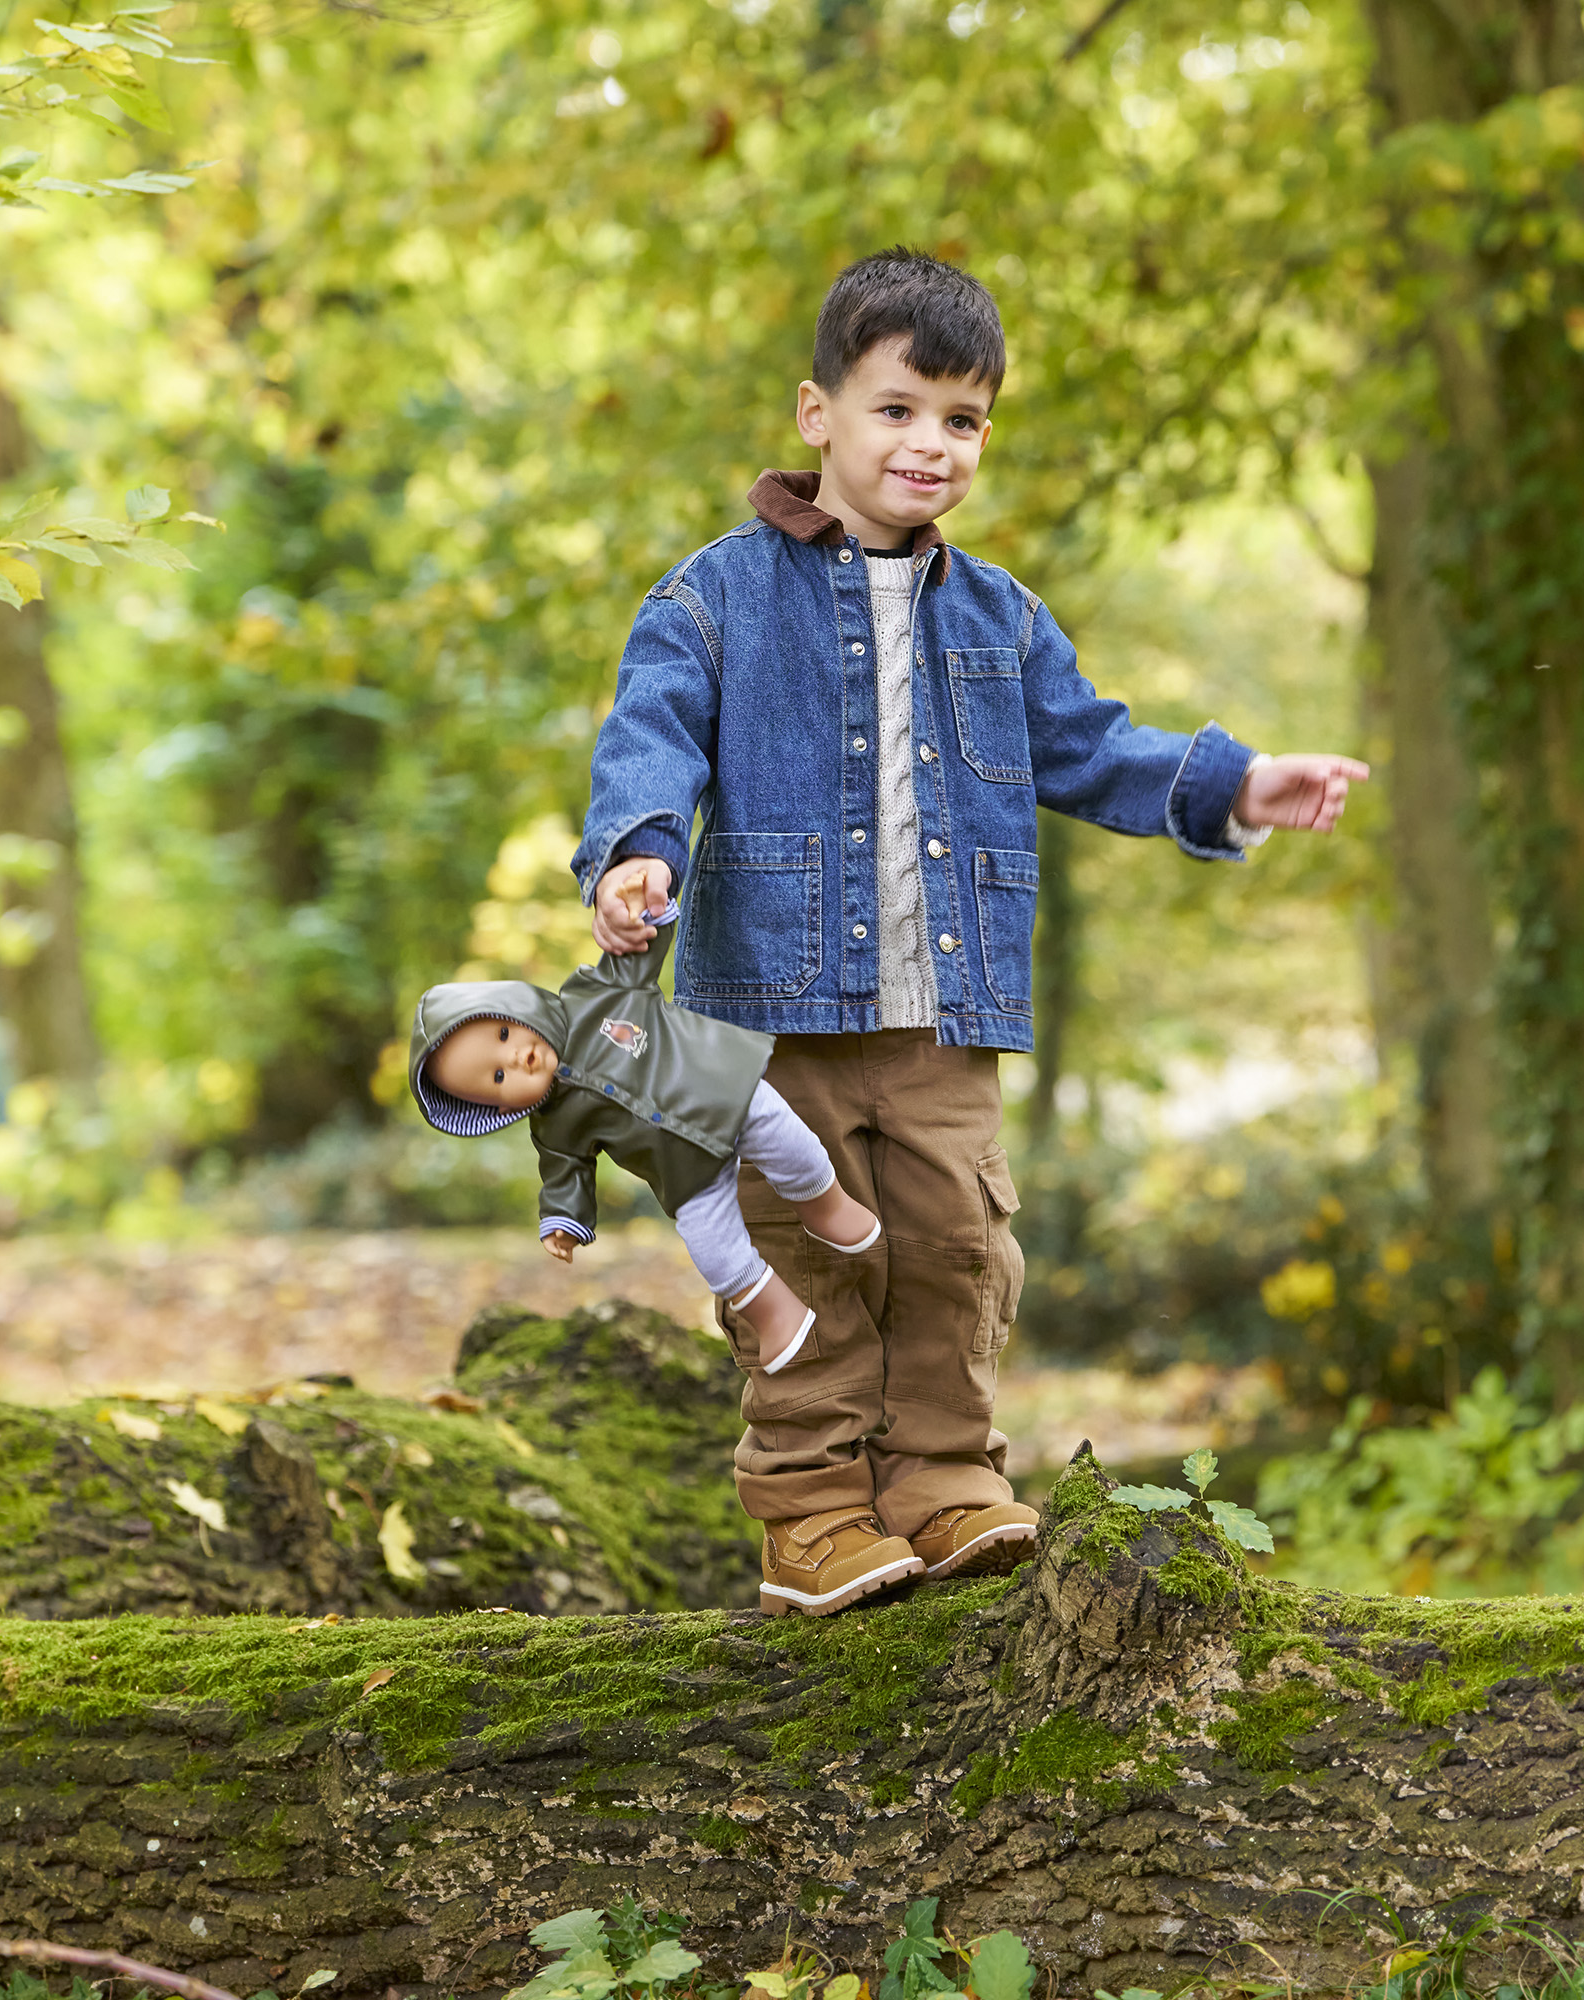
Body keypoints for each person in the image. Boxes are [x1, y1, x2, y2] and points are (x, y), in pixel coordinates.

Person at [572, 247, 1369, 1618]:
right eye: (897, 409)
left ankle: (941, 1477)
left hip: (947, 1014)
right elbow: (648, 739)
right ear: (817, 413)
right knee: (808, 1256)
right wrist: (638, 855)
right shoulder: (713, 598)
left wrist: (1234, 785)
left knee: (953, 1249)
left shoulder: (999, 618)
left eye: (963, 420)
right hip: (776, 1020)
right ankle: (813, 1509)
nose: (931, 445)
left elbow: (1094, 747)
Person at [405, 894, 932, 1616]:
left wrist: (643, 910)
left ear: (514, 1005)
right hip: (687, 1173)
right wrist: (562, 1223)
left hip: (730, 1091)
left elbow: (641, 949)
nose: (515, 1056)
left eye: (503, 1033)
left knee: (798, 1150)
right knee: (717, 1252)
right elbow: (567, 1177)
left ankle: (829, 1209)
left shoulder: (595, 994)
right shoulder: (554, 1125)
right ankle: (776, 1315)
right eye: (498, 1077)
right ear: (500, 1109)